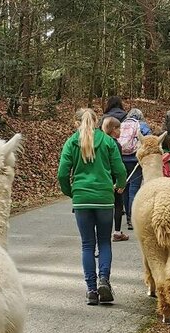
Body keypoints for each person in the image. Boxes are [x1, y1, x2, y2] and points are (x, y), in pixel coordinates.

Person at [58, 108, 128, 306]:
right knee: (104, 242)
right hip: (105, 198)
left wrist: (71, 192)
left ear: (76, 122)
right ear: (97, 121)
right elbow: (120, 169)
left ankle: (91, 290)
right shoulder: (107, 141)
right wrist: (120, 185)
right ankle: (104, 280)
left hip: (82, 199)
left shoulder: (72, 142)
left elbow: (63, 174)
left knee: (88, 245)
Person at [119, 108, 151, 231]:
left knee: (125, 187)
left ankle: (128, 216)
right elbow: (148, 141)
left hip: (121, 159)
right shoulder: (142, 125)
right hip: (135, 160)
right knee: (134, 188)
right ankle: (132, 218)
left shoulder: (122, 125)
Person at [101, 116, 129, 242]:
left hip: (104, 178)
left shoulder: (101, 142)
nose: (120, 132)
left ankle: (102, 231)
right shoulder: (115, 144)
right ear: (113, 129)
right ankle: (117, 232)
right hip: (114, 180)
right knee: (118, 204)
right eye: (119, 129)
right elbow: (119, 165)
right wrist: (120, 182)